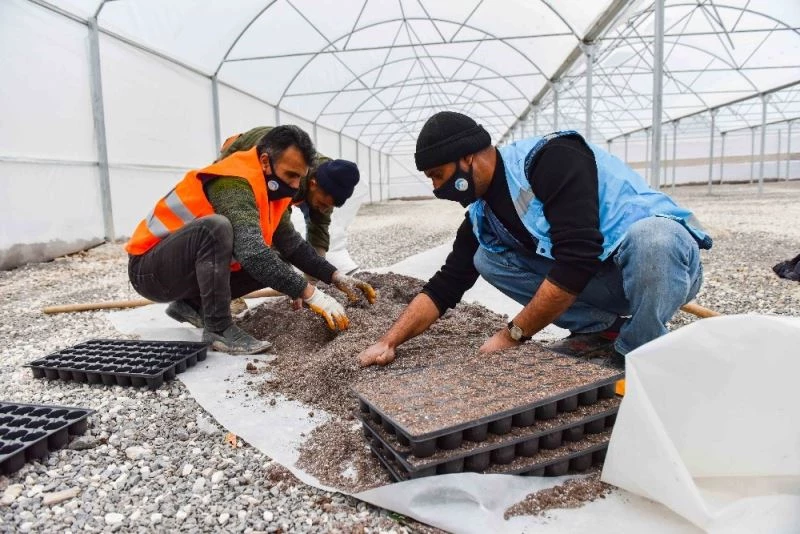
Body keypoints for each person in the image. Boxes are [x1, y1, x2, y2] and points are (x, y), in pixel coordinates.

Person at [358, 111, 711, 368]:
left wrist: (512, 334)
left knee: (653, 238)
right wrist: (388, 341)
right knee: (485, 257)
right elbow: (445, 286)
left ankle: (638, 348)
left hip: (663, 263)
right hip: (603, 280)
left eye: (438, 175)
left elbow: (577, 258)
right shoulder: (482, 216)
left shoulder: (551, 158)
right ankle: (602, 330)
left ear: (467, 158)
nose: (437, 188)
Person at [126, 125, 375, 355]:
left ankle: (192, 305)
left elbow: (293, 245)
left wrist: (335, 276)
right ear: (266, 162)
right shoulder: (233, 181)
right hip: (150, 272)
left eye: (299, 177)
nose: (294, 185)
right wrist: (312, 294)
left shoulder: (273, 190)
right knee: (218, 229)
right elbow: (252, 253)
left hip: (180, 272)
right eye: (290, 175)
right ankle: (219, 329)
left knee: (276, 262)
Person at [219, 126, 360, 259]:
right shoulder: (290, 175)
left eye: (329, 207)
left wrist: (318, 274)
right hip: (240, 151)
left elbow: (319, 229)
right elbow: (278, 224)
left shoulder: (328, 186)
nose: (324, 209)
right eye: (322, 204)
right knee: (236, 224)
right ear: (313, 184)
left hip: (278, 174)